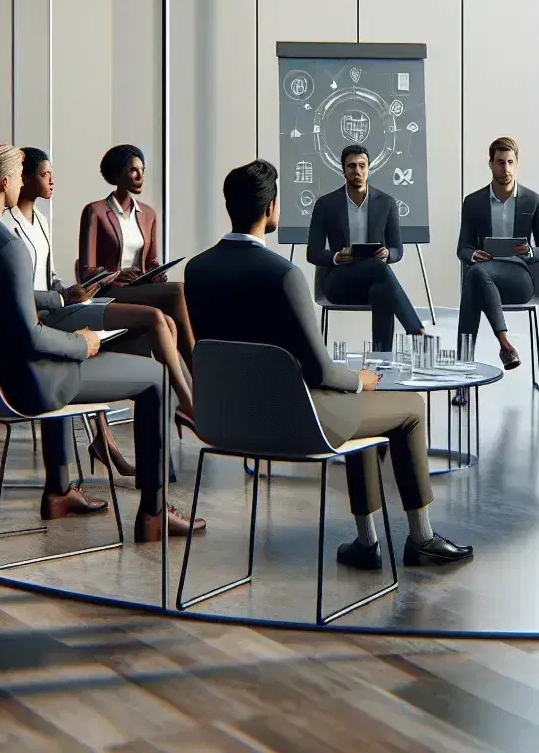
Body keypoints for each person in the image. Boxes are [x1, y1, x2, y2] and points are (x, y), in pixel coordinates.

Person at [184, 160, 472, 569]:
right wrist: (360, 378)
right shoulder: (282, 275)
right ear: (271, 210)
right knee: (405, 408)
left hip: (225, 422)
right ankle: (420, 539)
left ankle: (368, 543)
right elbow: (320, 373)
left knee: (348, 398)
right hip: (293, 422)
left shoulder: (196, 271)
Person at [0, 143, 202, 540]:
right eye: (21, 176)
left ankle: (59, 491)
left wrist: (57, 299)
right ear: (5, 182)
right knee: (157, 379)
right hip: (25, 383)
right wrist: (83, 345)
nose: (23, 182)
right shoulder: (8, 246)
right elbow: (30, 336)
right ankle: (156, 514)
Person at [6, 146, 198, 473]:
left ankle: (182, 404)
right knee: (164, 312)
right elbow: (77, 272)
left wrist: (65, 292)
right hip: (75, 305)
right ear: (21, 179)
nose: (53, 181)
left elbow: (50, 275)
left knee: (165, 318)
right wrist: (71, 293)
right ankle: (193, 397)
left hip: (76, 303)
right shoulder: (14, 224)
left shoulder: (41, 220)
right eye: (45, 175)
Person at [75, 144, 198, 374]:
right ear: (117, 174)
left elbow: (150, 262)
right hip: (111, 291)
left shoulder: (148, 214)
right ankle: (196, 366)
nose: (140, 176)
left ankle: (183, 382)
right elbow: (86, 271)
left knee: (174, 299)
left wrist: (157, 272)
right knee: (176, 291)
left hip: (140, 288)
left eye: (142, 170)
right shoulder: (96, 212)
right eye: (133, 170)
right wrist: (118, 274)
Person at [306, 144, 426, 353]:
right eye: (351, 166)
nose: (357, 171)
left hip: (373, 283)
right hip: (338, 282)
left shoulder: (386, 202)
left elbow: (397, 249)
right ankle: (416, 331)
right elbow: (312, 252)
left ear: (369, 168)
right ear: (343, 170)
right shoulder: (325, 204)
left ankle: (382, 362)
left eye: (362, 165)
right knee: (380, 272)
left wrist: (388, 254)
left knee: (383, 288)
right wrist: (336, 257)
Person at [455, 137, 539, 374]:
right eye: (500, 162)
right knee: (476, 276)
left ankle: (462, 373)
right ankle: (505, 345)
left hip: (519, 279)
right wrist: (473, 254)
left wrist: (530, 252)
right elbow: (463, 248)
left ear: (517, 164)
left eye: (510, 162)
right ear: (490, 164)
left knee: (474, 279)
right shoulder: (473, 202)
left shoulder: (533, 201)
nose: (506, 168)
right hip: (485, 271)